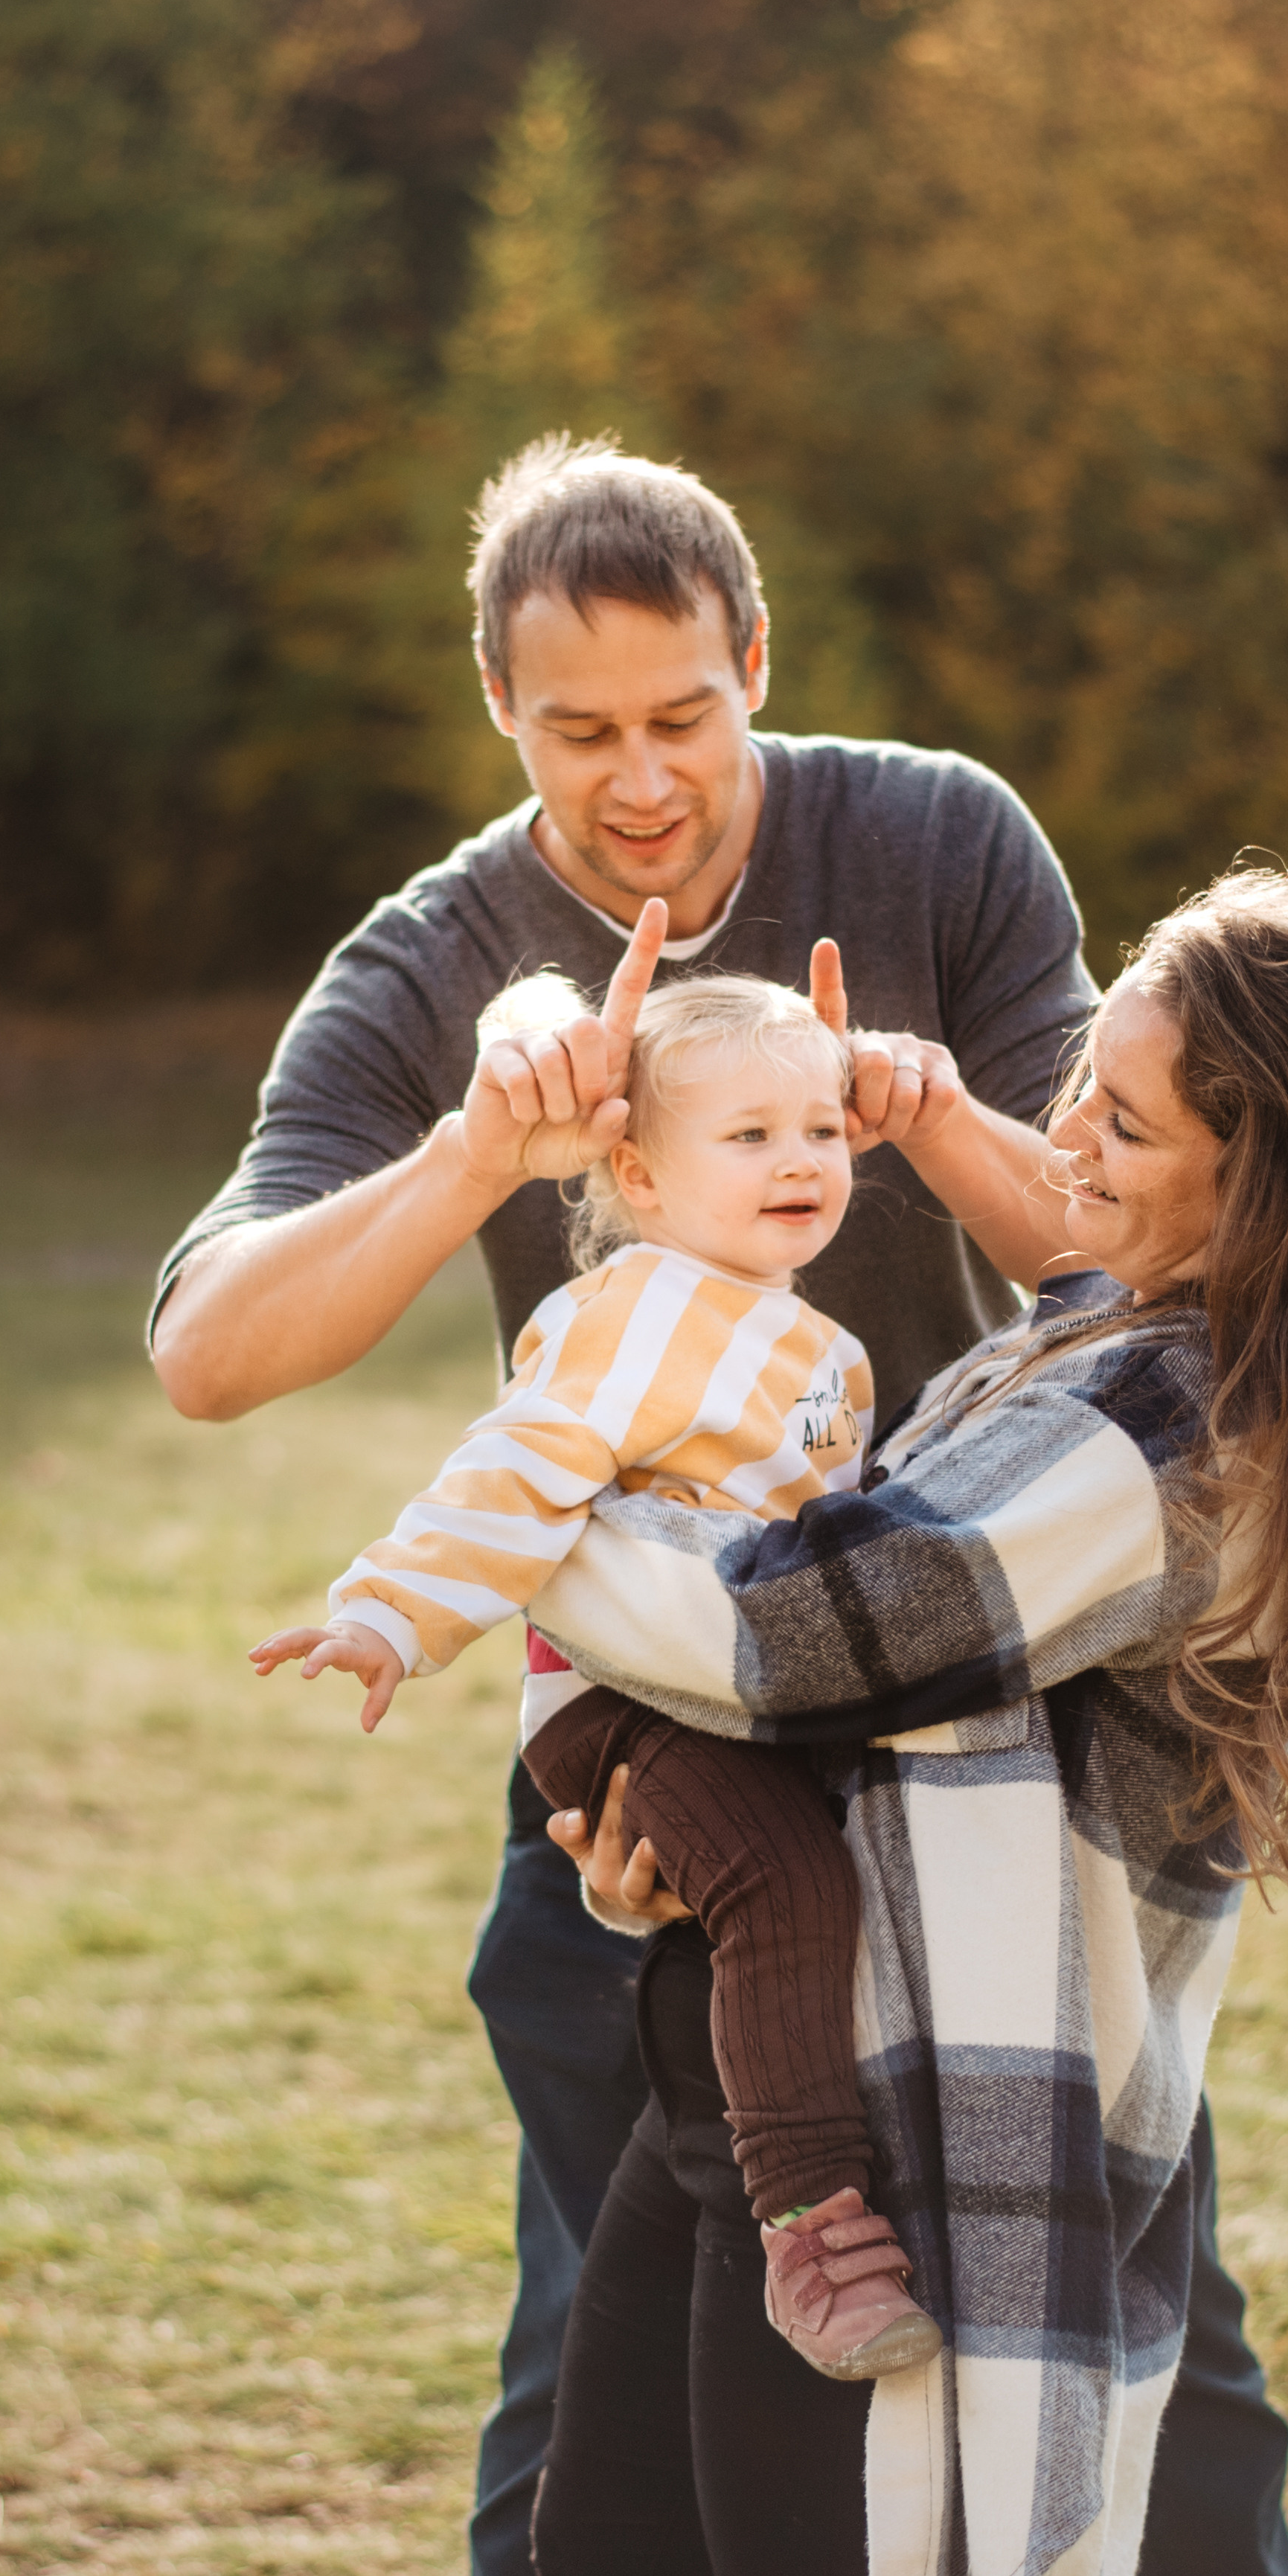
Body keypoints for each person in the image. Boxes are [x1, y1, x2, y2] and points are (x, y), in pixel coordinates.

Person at [149, 434, 1288, 2575]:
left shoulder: (937, 837)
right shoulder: (437, 952)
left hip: (970, 1718)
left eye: (683, 714)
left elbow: (1137, 1236)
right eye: (578, 730)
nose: (642, 777)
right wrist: (477, 1155)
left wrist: (924, 1118)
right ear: (497, 702)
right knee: (595, 2351)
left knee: (1152, 2329)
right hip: (660, 1734)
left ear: (755, 659)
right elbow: (208, 1351)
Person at [527, 865, 1288, 2576]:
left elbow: (780, 1634)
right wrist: (678, 1847)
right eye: (1083, 1083)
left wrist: (509, 1510)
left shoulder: (1171, 1426)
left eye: (1124, 1122)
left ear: (1266, 1177)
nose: (1065, 1137)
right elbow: (840, 1723)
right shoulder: (1094, 1332)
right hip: (764, 2098)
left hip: (907, 2161)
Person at [247, 970, 942, 2378]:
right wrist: (391, 1613)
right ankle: (810, 2227)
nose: (800, 1160)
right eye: (748, 1136)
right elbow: (514, 1468)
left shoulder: (822, 1345)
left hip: (744, 1687)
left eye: (819, 1129)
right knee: (788, 1888)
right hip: (627, 1697)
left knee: (849, 1888)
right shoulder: (635, 1311)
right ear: (639, 1175)